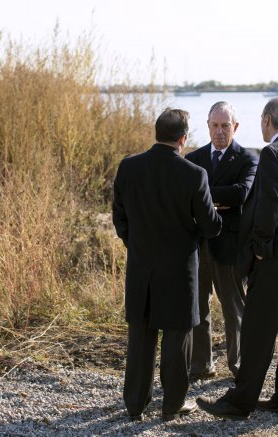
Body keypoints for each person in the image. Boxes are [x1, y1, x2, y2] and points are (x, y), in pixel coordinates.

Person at [196, 96, 278, 420]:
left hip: (276, 254)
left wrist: (260, 251)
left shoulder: (273, 154)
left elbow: (269, 206)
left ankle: (239, 401)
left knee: (257, 328)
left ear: (267, 120)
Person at [112, 108, 222, 422]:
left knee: (141, 337)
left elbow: (119, 218)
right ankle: (172, 404)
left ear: (157, 132)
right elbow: (211, 226)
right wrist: (212, 215)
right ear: (183, 139)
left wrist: (136, 244)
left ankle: (135, 404)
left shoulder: (128, 167)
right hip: (180, 270)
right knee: (177, 339)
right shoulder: (193, 174)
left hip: (141, 268)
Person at [185, 101, 258, 380]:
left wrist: (203, 196)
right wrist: (216, 200)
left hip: (230, 247)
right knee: (198, 308)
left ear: (235, 127)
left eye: (225, 126)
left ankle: (238, 364)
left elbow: (241, 194)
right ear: (207, 126)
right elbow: (186, 196)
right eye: (215, 126)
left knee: (234, 308)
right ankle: (201, 364)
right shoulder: (194, 158)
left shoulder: (247, 159)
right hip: (199, 245)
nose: (219, 132)